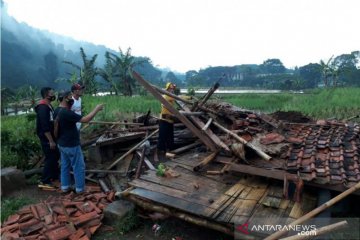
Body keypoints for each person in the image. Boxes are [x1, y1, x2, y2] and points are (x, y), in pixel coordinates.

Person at [54, 91, 104, 193]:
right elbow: (86, 119)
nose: (71, 99)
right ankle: (80, 189)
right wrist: (96, 109)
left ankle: (65, 187)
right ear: (64, 98)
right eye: (69, 97)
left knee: (65, 165)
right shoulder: (67, 113)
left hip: (62, 144)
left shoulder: (57, 110)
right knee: (79, 167)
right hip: (71, 144)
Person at [35, 87, 60, 189]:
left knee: (55, 156)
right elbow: (44, 126)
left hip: (51, 137)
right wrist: (50, 141)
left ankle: (52, 177)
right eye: (52, 93)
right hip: (47, 138)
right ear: (46, 95)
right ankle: (44, 181)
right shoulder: (42, 107)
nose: (53, 94)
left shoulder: (48, 106)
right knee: (50, 158)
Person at [157, 82, 177, 157]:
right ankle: (161, 150)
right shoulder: (165, 96)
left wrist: (189, 98)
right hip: (164, 119)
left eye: (172, 88)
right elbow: (170, 99)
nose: (172, 90)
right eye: (170, 88)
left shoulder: (172, 96)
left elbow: (174, 98)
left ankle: (170, 149)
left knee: (170, 136)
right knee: (162, 135)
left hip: (170, 120)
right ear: (167, 89)